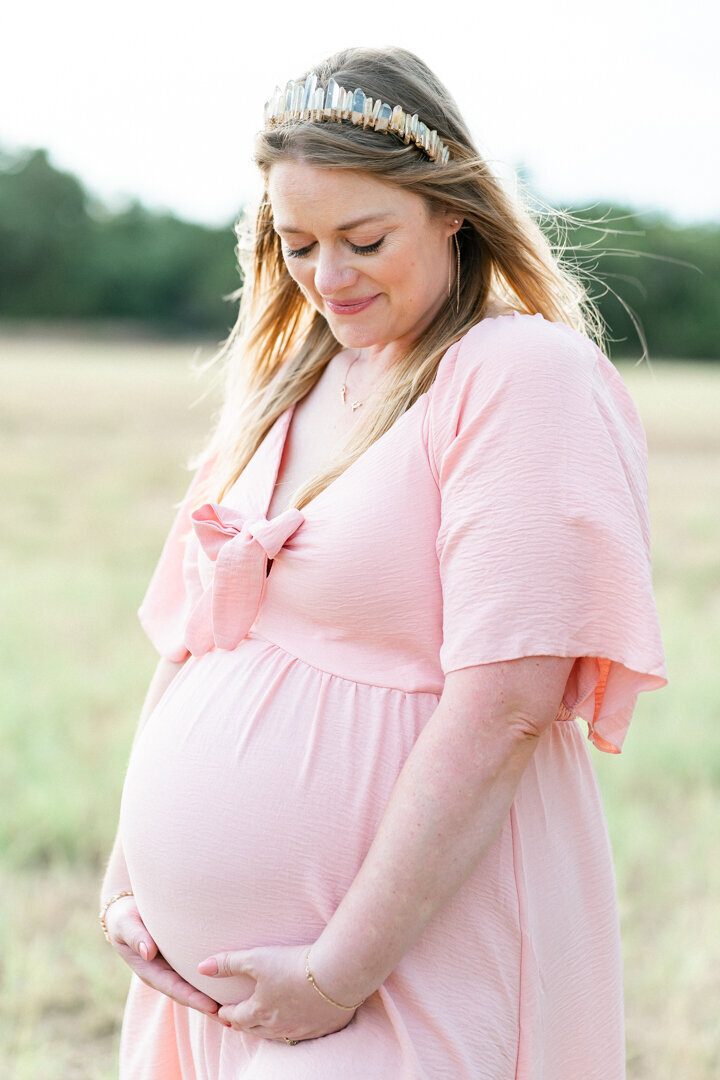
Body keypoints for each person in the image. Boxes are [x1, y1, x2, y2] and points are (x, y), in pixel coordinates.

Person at [100, 45, 667, 1080]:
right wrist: (126, 882)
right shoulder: (296, 376)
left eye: (364, 239)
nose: (327, 277)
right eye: (298, 242)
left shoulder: (517, 375)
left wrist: (336, 973)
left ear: (451, 208)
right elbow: (195, 640)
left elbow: (506, 705)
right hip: (211, 997)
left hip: (396, 969)